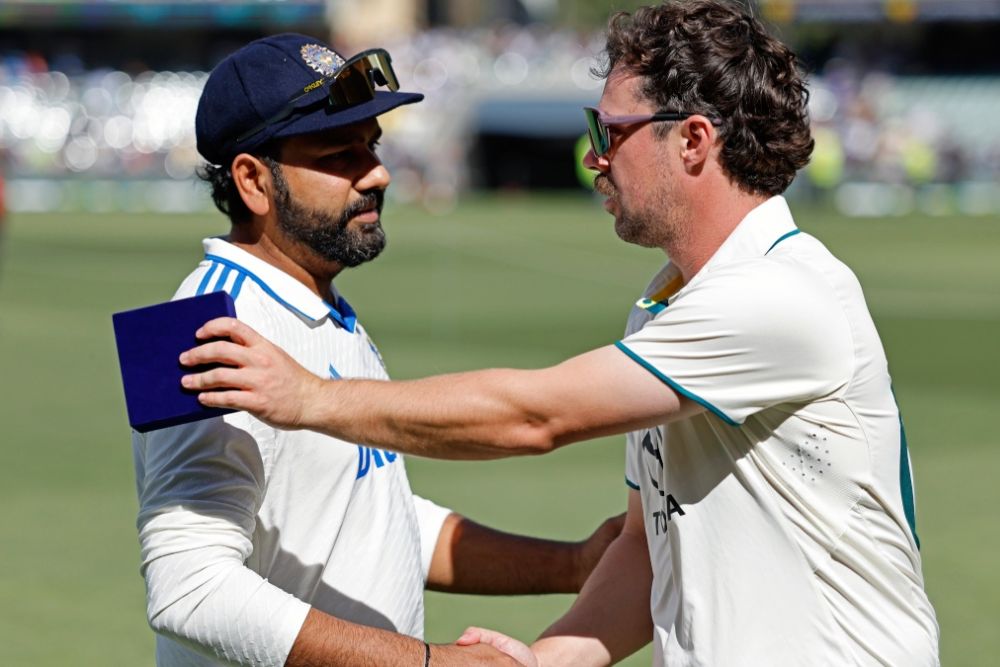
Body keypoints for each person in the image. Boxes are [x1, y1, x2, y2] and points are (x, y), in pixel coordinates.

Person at [181, 3, 941, 666]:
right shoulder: (664, 304)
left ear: (694, 141)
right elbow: (650, 552)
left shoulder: (779, 295)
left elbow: (533, 414)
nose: (594, 157)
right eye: (338, 154)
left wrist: (308, 396)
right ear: (251, 179)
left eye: (610, 130)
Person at [132, 33, 626, 667]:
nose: (378, 172)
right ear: (253, 182)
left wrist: (574, 564)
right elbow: (189, 591)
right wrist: (429, 662)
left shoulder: (317, 301)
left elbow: (370, 520)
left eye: (372, 145)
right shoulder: (199, 331)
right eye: (339, 155)